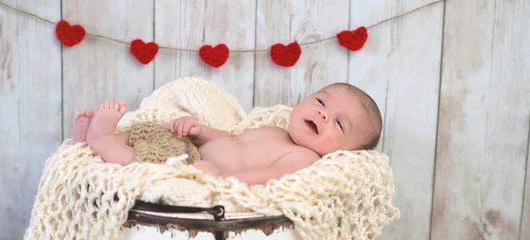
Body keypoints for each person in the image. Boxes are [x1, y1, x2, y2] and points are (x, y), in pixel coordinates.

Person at [72, 83, 382, 186]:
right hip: (192, 152)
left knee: (145, 167)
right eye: (321, 101)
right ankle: (90, 144)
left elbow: (267, 175)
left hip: (196, 174)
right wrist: (200, 131)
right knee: (149, 131)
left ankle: (100, 140)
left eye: (339, 124)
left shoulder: (304, 157)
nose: (324, 114)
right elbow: (231, 138)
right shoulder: (275, 129)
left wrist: (220, 176)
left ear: (345, 152)